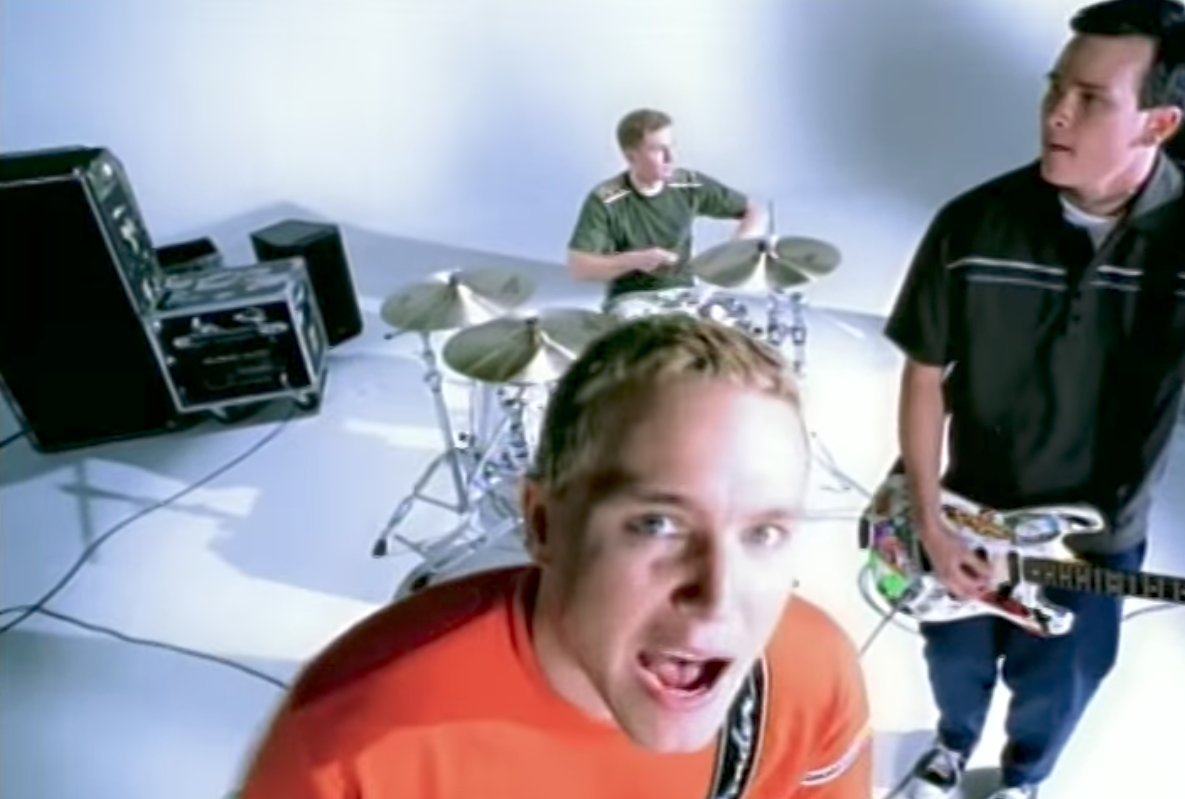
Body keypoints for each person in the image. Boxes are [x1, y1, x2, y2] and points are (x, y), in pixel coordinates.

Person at [883, 2, 1185, 798]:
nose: (1056, 111)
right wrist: (930, 518)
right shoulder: (971, 224)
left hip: (1102, 533)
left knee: (1063, 679)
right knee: (951, 655)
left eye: (1090, 98)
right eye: (1055, 86)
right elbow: (923, 379)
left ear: (1159, 122)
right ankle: (950, 745)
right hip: (967, 510)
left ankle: (1023, 777)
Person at [239, 315, 872, 798]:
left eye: (762, 532)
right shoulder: (347, 739)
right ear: (543, 524)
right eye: (657, 524)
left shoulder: (813, 676)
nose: (718, 595)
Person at [567, 108, 768, 306]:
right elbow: (579, 267)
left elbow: (754, 210)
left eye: (671, 146)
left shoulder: (688, 183)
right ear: (631, 156)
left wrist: (734, 251)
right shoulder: (606, 199)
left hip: (685, 295)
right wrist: (633, 260)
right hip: (632, 298)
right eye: (658, 150)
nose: (670, 158)